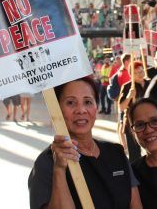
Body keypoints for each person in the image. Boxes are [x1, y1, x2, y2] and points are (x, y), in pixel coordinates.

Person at [28, 76, 142, 209]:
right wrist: (59, 170)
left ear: (96, 107)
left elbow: (135, 204)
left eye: (88, 102)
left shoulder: (116, 152)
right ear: (57, 109)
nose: (81, 110)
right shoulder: (47, 163)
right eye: (71, 102)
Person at [118, 61, 150, 162]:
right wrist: (129, 97)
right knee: (134, 154)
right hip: (132, 124)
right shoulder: (128, 86)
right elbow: (121, 107)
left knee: (152, 150)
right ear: (131, 74)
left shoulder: (150, 83)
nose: (139, 74)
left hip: (149, 122)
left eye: (141, 71)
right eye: (136, 73)